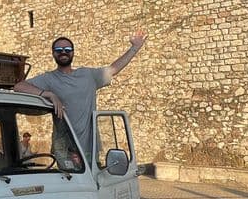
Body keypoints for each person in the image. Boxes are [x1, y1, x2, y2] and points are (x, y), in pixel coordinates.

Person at [13, 32, 147, 159]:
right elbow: (19, 87)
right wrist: (48, 94)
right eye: (59, 50)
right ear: (53, 53)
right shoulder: (49, 79)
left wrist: (134, 48)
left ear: (73, 52)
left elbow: (113, 69)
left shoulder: (88, 75)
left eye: (67, 49)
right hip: (65, 149)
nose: (63, 52)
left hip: (90, 147)